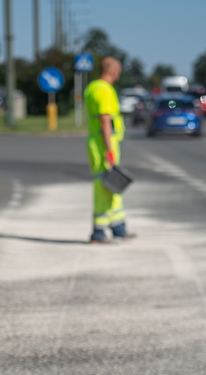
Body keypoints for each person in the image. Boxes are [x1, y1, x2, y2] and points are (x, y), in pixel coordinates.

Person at [84, 56, 134, 243]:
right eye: (118, 71)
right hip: (104, 145)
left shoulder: (92, 87)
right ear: (112, 71)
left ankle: (118, 228)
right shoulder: (105, 90)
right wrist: (109, 149)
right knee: (104, 187)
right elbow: (106, 120)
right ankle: (98, 232)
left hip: (98, 144)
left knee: (113, 185)